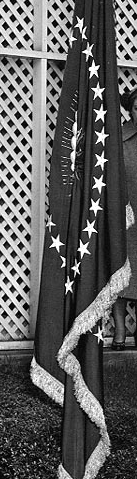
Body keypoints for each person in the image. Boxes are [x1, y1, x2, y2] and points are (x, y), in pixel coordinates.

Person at [112, 87, 137, 349]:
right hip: (126, 216)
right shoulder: (120, 138)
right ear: (130, 110)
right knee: (121, 275)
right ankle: (119, 333)